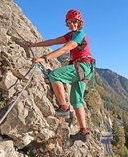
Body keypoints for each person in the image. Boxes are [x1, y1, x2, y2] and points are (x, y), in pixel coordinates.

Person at [25, 9, 94, 142]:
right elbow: (52, 41)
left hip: (83, 66)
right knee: (76, 99)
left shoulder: (80, 34)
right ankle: (83, 131)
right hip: (85, 69)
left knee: (55, 75)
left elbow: (65, 48)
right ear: (67, 23)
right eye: (70, 22)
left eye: (75, 21)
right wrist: (33, 45)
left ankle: (63, 107)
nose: (72, 24)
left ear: (79, 23)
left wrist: (45, 58)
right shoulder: (70, 35)